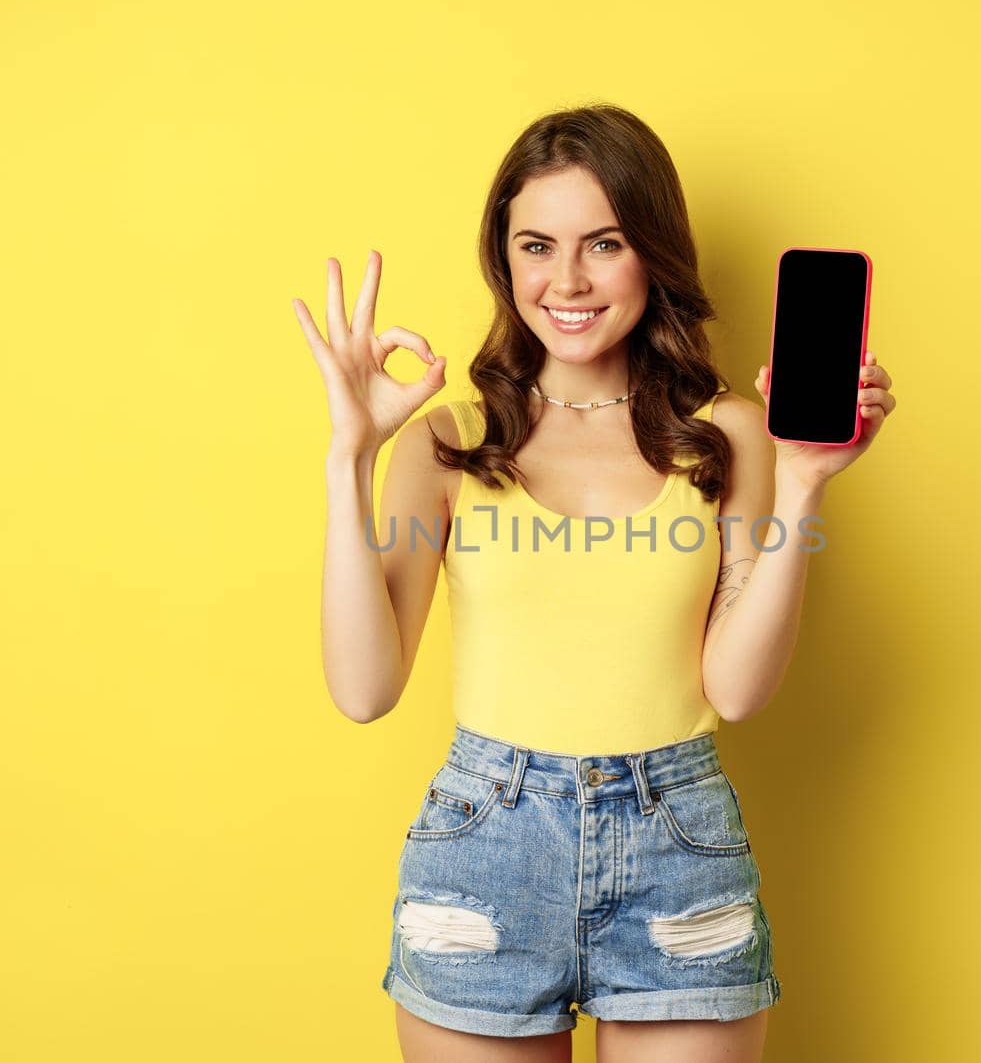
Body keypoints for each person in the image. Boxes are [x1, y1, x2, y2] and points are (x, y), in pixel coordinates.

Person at [294, 103, 896, 1063]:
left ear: (652, 251)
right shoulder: (448, 443)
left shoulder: (730, 433)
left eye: (603, 243)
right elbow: (363, 689)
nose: (565, 281)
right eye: (537, 244)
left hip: (679, 852)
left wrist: (805, 481)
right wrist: (347, 457)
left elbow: (736, 688)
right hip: (484, 848)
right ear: (505, 259)